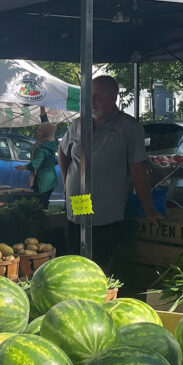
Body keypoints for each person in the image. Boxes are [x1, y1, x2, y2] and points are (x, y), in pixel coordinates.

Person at [58, 75, 159, 269]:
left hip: (107, 214)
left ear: (114, 97)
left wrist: (149, 210)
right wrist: (65, 183)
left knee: (101, 264)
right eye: (90, 96)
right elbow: (63, 152)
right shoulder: (79, 124)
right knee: (76, 261)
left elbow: (138, 169)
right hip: (78, 206)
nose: (92, 102)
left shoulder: (129, 127)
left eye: (99, 96)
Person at [15, 121, 59, 206]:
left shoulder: (42, 148)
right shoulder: (52, 143)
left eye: (40, 130)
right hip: (51, 179)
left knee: (39, 204)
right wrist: (42, 111)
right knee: (44, 202)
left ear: (46, 132)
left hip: (42, 180)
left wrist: (23, 167)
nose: (37, 131)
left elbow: (35, 164)